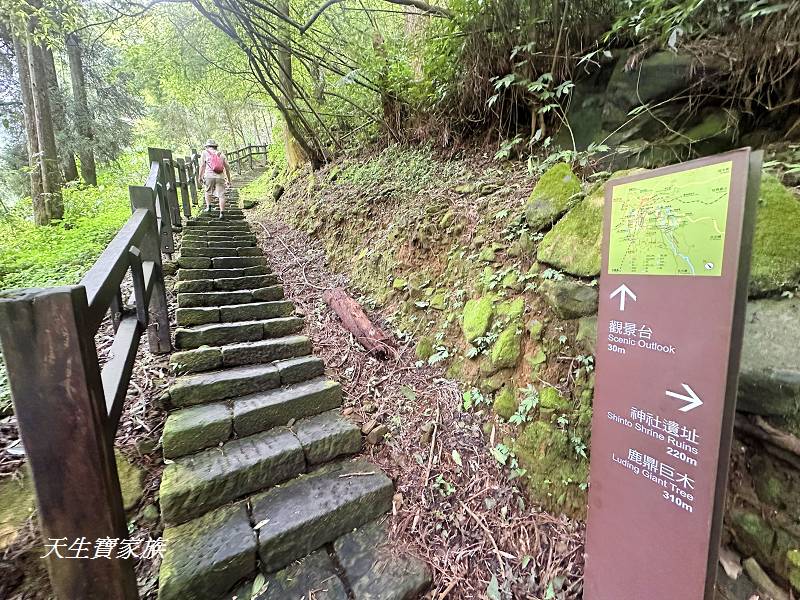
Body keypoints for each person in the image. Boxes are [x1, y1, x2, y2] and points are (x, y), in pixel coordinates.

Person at [197, 139, 232, 218]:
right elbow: (227, 168)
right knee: (221, 195)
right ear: (215, 146)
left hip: (209, 176)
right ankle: (222, 213)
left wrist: (200, 177)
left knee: (207, 191)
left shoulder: (205, 153)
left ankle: (209, 207)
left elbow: (202, 166)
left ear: (207, 146)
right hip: (220, 177)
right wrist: (228, 180)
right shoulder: (221, 155)